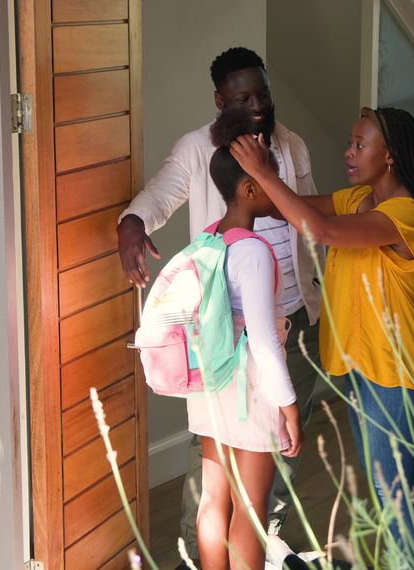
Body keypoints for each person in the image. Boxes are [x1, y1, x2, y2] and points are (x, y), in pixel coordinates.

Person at [117, 47, 322, 564]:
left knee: (272, 469)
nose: (257, 105)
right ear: (219, 100)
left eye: (262, 93)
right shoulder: (199, 152)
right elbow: (160, 196)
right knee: (227, 484)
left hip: (293, 315)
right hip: (237, 346)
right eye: (243, 97)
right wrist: (132, 223)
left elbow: (309, 211)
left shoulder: (290, 145)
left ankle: (263, 549)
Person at [230, 107, 414, 564]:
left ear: (390, 156)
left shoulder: (405, 215)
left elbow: (316, 228)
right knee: (388, 492)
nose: (348, 151)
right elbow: (283, 211)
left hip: (396, 376)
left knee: (394, 497)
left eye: (360, 144)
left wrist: (262, 172)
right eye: (351, 141)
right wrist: (254, 174)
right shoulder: (355, 200)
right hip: (361, 369)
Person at [191, 117, 303, 570]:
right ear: (249, 190)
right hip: (249, 391)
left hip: (209, 384)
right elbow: (262, 339)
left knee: (214, 499)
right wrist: (289, 403)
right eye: (267, 179)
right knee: (252, 508)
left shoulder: (207, 239)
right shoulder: (254, 250)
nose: (273, 188)